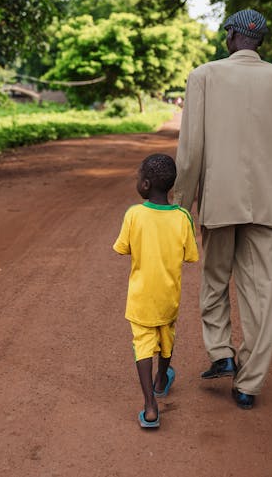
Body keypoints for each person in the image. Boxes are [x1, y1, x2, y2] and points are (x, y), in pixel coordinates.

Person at [173, 9, 272, 410]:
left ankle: (221, 352)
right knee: (264, 294)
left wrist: (180, 207)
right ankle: (248, 384)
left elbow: (191, 150)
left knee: (214, 280)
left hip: (219, 198)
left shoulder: (204, 76)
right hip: (271, 200)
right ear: (260, 40)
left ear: (230, 35)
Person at [113, 153, 199, 428]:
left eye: (139, 177)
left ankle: (150, 406)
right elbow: (190, 255)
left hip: (140, 298)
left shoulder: (134, 214)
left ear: (146, 185)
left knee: (143, 345)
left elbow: (123, 248)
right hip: (168, 297)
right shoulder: (183, 217)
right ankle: (162, 379)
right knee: (166, 337)